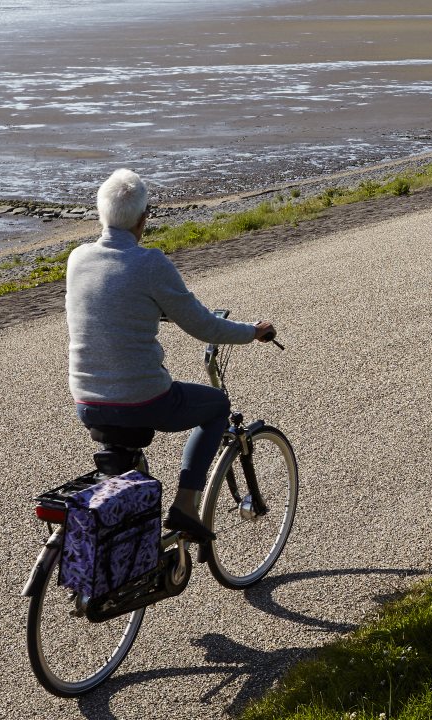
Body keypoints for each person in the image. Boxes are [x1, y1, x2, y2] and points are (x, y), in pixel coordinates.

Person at [65, 169, 274, 542]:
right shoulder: (150, 263)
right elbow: (204, 327)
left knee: (124, 470)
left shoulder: (78, 259)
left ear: (101, 214)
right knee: (215, 406)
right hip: (142, 399)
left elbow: (109, 303)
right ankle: (186, 506)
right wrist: (251, 332)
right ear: (144, 217)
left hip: (86, 401)